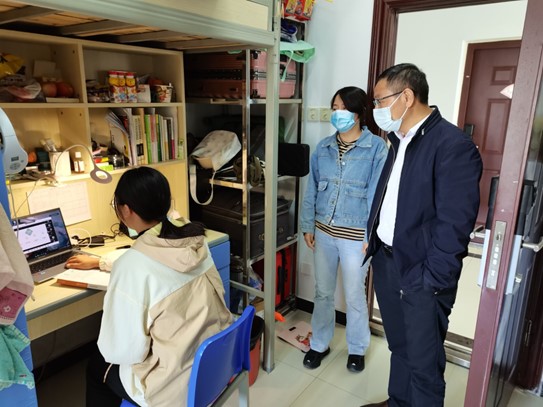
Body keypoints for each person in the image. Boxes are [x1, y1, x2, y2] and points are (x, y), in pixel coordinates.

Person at [361, 64, 482, 407]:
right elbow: (390, 197)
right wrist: (375, 236)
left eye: (379, 100)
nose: (376, 109)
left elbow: (454, 225)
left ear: (407, 96)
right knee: (399, 346)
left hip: (421, 274)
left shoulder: (452, 145)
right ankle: (398, 401)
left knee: (424, 364)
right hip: (388, 261)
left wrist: (432, 281)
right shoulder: (398, 141)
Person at [86, 166, 232, 407]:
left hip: (175, 387)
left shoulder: (132, 266)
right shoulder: (195, 239)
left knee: (97, 367)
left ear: (126, 210)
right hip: (216, 363)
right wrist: (102, 262)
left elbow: (121, 352)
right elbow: (156, 265)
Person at [300, 86, 387, 372]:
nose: (337, 113)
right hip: (324, 232)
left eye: (343, 108)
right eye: (334, 108)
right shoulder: (323, 148)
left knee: (354, 296)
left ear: (359, 113)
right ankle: (319, 344)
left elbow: (377, 197)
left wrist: (370, 236)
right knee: (323, 292)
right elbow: (312, 188)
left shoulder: (376, 148)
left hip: (355, 237)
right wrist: (308, 224)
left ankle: (357, 348)